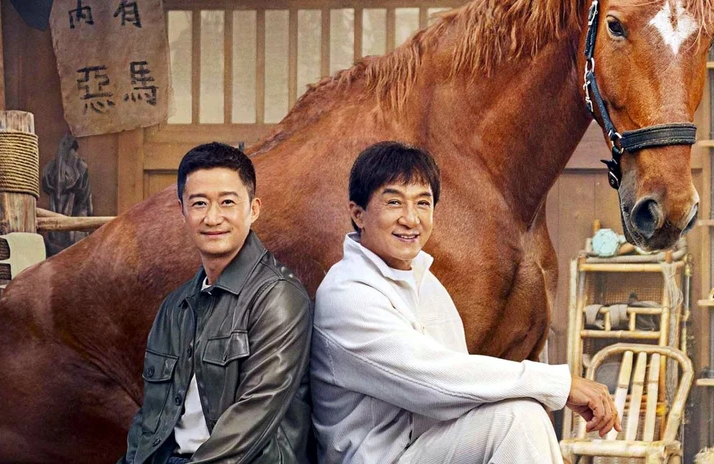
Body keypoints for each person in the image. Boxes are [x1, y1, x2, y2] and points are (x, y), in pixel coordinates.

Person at [310, 141, 621, 464]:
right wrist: (558, 385)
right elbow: (433, 381)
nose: (411, 219)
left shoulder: (424, 281)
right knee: (519, 418)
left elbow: (462, 384)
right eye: (394, 202)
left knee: (522, 414)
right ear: (358, 214)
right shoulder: (347, 294)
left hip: (427, 448)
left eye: (423, 203)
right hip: (380, 459)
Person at [119, 142, 312, 464]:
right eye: (199, 203)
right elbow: (150, 420)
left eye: (227, 202)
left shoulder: (278, 296)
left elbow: (251, 421)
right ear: (182, 211)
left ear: (253, 209)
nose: (212, 217)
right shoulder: (175, 307)